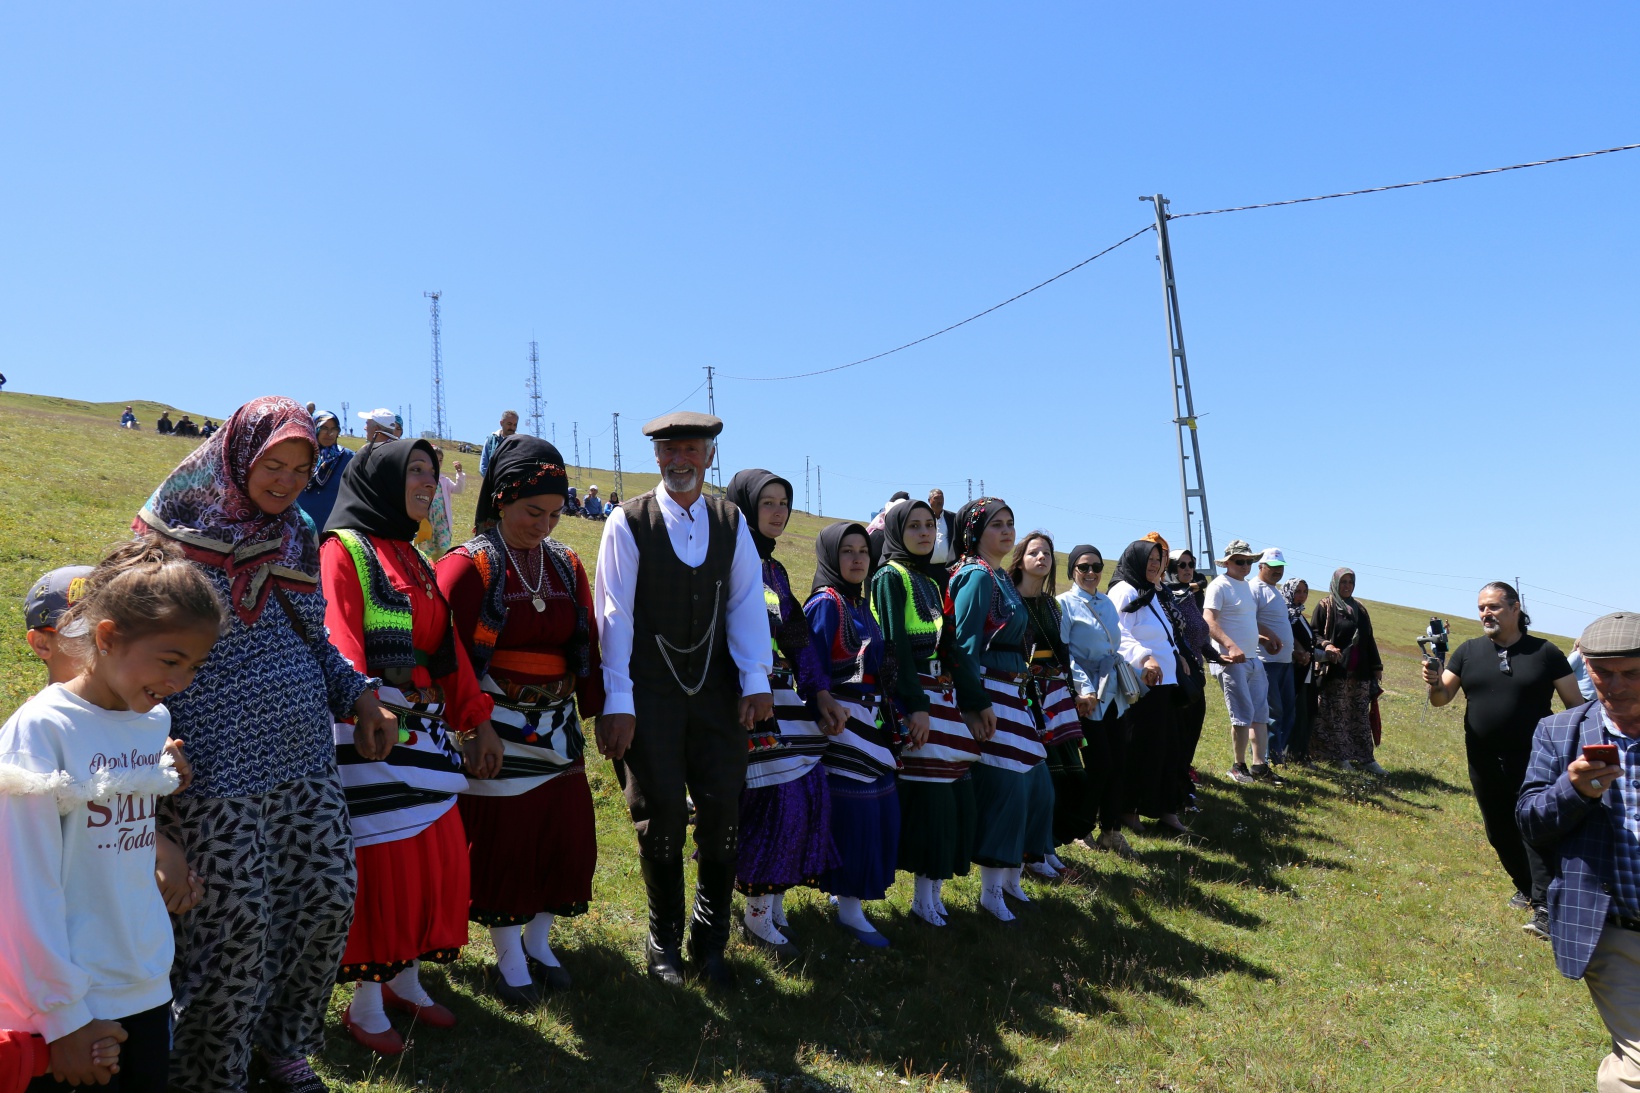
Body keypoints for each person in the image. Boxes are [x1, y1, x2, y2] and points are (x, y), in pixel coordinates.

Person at [135, 396, 397, 1093]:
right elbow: (128, 649)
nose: (284, 480)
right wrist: (142, 742)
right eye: (271, 464)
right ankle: (211, 1071)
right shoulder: (172, 527)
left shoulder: (298, 533)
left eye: (300, 466)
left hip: (302, 755)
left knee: (324, 899)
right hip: (214, 766)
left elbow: (315, 634)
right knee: (234, 930)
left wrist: (361, 695)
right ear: (239, 455)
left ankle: (282, 1047)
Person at [0, 537, 226, 1092]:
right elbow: (22, 889)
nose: (181, 681)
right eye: (171, 660)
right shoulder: (41, 730)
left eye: (194, 666)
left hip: (144, 984)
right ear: (106, 637)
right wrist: (64, 1017)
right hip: (71, 1004)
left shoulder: (151, 723)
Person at [320, 438, 503, 1053]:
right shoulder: (343, 550)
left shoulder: (416, 557)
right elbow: (341, 638)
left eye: (430, 470)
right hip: (371, 731)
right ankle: (366, 1002)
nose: (427, 481)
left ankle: (407, 980)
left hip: (425, 734)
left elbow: (446, 650)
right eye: (414, 471)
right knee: (387, 864)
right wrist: (365, 704)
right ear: (381, 481)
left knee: (436, 856)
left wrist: (476, 719)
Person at [592, 412, 772, 988]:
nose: (680, 460)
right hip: (649, 691)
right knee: (662, 811)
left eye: (691, 449)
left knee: (723, 810)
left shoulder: (731, 520)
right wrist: (617, 698)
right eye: (670, 451)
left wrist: (755, 680)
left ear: (710, 456)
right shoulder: (627, 520)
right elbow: (612, 613)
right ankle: (662, 939)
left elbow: (746, 603)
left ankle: (710, 940)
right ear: (656, 458)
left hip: (718, 692)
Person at [437, 436, 604, 1004]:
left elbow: (588, 642)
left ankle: (539, 940)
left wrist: (600, 708)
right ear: (502, 499)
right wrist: (472, 723)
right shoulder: (467, 567)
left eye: (556, 514)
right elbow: (446, 654)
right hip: (496, 724)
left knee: (565, 833)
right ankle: (508, 957)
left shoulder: (566, 563)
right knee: (507, 838)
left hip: (558, 726)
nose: (545, 525)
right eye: (534, 511)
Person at [1517, 611, 1640, 1093]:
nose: (1617, 685)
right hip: (1614, 932)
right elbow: (1529, 820)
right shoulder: (1559, 732)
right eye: (1602, 672)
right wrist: (1574, 792)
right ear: (1584, 665)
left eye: (1631, 673)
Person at [725, 469, 841, 959]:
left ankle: (772, 900)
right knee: (777, 802)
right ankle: (754, 911)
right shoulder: (728, 561)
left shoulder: (774, 571)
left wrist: (819, 693)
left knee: (808, 791)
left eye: (783, 503)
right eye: (767, 502)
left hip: (780, 697)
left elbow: (797, 639)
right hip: (742, 702)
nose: (776, 511)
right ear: (746, 506)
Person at [1425, 582, 1582, 940]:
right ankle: (1526, 887)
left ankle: (1546, 906)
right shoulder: (1467, 651)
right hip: (1482, 756)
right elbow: (1441, 698)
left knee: (1534, 826)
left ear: (1515, 608)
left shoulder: (1545, 653)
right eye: (1482, 607)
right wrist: (1434, 682)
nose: (1485, 614)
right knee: (1498, 828)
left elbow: (1575, 704)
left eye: (1494, 606)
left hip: (1535, 758)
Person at [871, 498, 985, 927]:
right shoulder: (890, 577)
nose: (924, 533)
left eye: (930, 525)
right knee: (932, 797)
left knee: (956, 793)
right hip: (914, 699)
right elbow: (892, 647)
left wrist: (976, 700)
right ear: (897, 530)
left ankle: (935, 892)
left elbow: (952, 645)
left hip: (942, 696)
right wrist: (915, 706)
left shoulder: (932, 579)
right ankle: (921, 897)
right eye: (914, 525)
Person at [948, 497, 1052, 921]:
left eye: (1010, 523)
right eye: (996, 525)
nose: (1007, 531)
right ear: (975, 532)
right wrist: (974, 702)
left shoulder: (1000, 577)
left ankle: (1012, 877)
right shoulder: (975, 576)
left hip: (1013, 691)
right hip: (989, 690)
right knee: (1008, 785)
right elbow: (965, 643)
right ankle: (991, 889)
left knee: (1037, 783)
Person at [807, 522, 900, 946]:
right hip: (840, 724)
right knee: (857, 814)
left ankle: (845, 899)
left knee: (879, 809)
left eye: (864, 550)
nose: (858, 558)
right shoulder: (826, 604)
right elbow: (813, 671)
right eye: (847, 551)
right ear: (830, 556)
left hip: (869, 724)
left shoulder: (861, 605)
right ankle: (849, 907)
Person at [1009, 531, 1086, 877]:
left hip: (1055, 700)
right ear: (1021, 558)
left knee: (1059, 782)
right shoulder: (1009, 602)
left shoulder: (1052, 606)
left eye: (1047, 554)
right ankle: (1032, 852)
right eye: (1034, 552)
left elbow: (1063, 654)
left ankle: (1048, 846)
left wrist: (1071, 691)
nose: (1041, 558)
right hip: (1024, 698)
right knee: (1037, 778)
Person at [1060, 545, 1139, 858]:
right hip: (1087, 696)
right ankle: (1080, 829)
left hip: (1112, 691)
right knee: (1099, 763)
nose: (1091, 573)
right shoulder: (1064, 603)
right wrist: (1082, 688)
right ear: (1073, 571)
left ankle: (1111, 830)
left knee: (1118, 761)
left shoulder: (1106, 602)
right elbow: (1065, 652)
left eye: (1096, 567)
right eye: (1083, 567)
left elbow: (1113, 645)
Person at [1109, 540, 1193, 833]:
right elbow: (1117, 632)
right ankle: (1128, 810)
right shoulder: (1124, 590)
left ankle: (1165, 809)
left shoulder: (1149, 592)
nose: (1155, 564)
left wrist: (1176, 655)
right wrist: (1145, 658)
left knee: (1169, 749)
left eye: (1158, 559)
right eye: (1149, 559)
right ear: (1135, 560)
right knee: (1140, 748)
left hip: (1165, 683)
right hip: (1142, 683)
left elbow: (1162, 632)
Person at [1203, 539, 1282, 787]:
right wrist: (1230, 646)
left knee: (1260, 713)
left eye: (1249, 561)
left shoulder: (1246, 587)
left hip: (1252, 658)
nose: (1245, 565)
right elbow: (1208, 621)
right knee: (1242, 715)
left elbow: (1246, 621)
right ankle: (1238, 766)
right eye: (1240, 561)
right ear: (1227, 562)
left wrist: (1264, 637)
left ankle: (1259, 765)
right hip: (1231, 660)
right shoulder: (1219, 585)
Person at [1309, 567, 1384, 774]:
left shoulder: (1359, 608)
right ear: (1335, 583)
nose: (1347, 586)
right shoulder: (1325, 605)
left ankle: (1366, 759)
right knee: (1335, 716)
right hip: (1335, 672)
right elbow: (1313, 634)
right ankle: (1339, 757)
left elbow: (1369, 639)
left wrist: (1376, 667)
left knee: (1359, 716)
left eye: (1350, 582)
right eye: (1343, 582)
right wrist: (1327, 645)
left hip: (1359, 673)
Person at [1164, 548, 1211, 805]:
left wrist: (1215, 654)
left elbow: (1198, 633)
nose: (1187, 569)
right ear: (1170, 568)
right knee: (1180, 733)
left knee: (1193, 729)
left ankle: (1183, 781)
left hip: (1196, 673)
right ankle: (1178, 788)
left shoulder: (1190, 596)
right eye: (1180, 565)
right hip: (1178, 674)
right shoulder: (1168, 597)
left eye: (1190, 564)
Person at [1253, 548, 1296, 764]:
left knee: (1288, 710)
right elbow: (1248, 620)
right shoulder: (1255, 589)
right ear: (1261, 566)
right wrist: (1264, 638)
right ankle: (1270, 756)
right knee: (1273, 711)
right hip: (1267, 662)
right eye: (1273, 567)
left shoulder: (1274, 590)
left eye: (1281, 567)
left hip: (1285, 662)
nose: (1278, 571)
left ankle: (1279, 754)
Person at [1282, 579, 1320, 764]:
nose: (1302, 595)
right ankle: (1288, 753)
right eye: (1297, 591)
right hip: (1293, 672)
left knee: (1307, 712)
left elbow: (1310, 645)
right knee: (1294, 712)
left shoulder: (1300, 615)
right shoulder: (1286, 616)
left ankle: (1299, 754)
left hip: (1306, 673)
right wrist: (1296, 654)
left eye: (1305, 591)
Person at [297, 410, 353, 532]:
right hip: (297, 527)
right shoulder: (299, 454)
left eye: (334, 429)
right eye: (324, 428)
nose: (330, 433)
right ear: (314, 428)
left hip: (332, 529)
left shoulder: (348, 457)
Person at [416, 457, 466, 558]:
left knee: (443, 549)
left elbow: (458, 489)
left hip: (442, 521)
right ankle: (425, 571)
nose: (437, 462)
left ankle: (440, 571)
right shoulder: (420, 479)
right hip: (425, 521)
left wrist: (460, 474)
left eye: (440, 460)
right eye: (434, 458)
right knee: (424, 552)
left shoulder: (444, 480)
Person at [479, 411, 520, 477]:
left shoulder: (520, 442)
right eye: (509, 424)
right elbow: (483, 467)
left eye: (515, 425)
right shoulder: (491, 440)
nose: (512, 428)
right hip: (494, 484)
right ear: (501, 423)